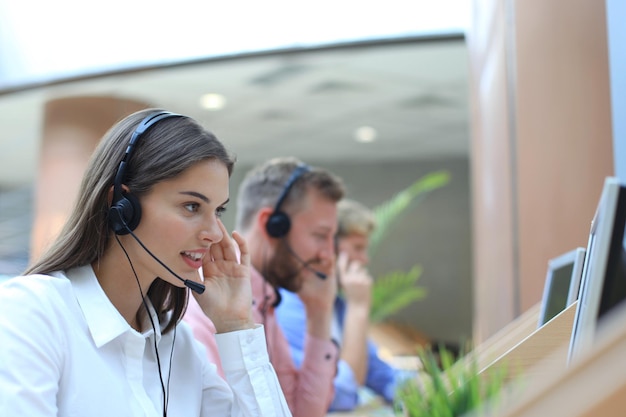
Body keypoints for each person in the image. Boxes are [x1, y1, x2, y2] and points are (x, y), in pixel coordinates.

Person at [0, 109, 292, 416]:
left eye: (218, 210)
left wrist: (235, 324)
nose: (215, 234)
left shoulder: (179, 345)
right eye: (192, 206)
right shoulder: (32, 313)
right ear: (122, 206)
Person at [184, 156, 345, 417]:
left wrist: (320, 311)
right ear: (272, 225)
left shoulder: (265, 299)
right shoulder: (210, 300)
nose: (329, 255)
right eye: (319, 236)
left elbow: (300, 411)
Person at [276, 198, 403, 411]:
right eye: (358, 248)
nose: (364, 260)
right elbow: (341, 395)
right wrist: (358, 309)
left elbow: (384, 376)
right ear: (327, 248)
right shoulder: (285, 308)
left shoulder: (338, 307)